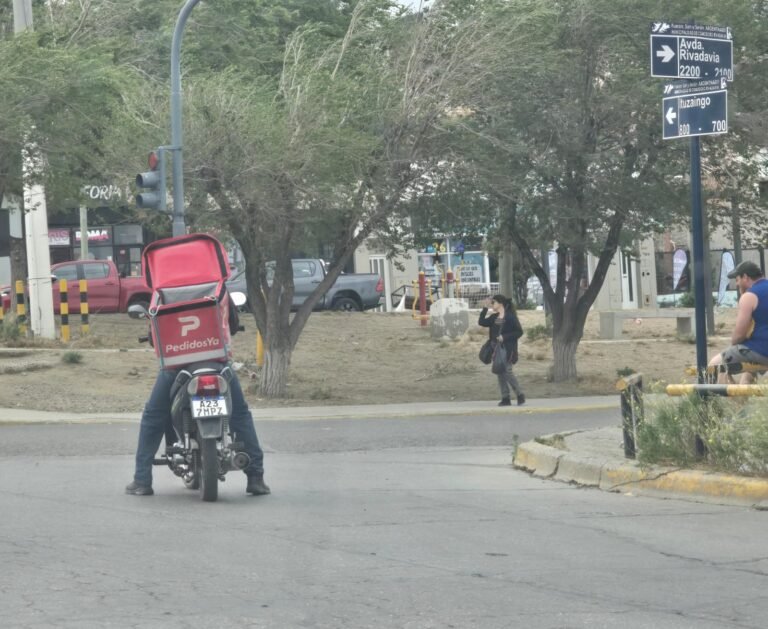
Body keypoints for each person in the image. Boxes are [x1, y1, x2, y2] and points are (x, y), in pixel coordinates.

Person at [125, 295, 270, 497]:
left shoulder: (162, 293)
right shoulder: (218, 288)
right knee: (240, 414)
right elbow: (233, 323)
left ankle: (142, 480)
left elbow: (155, 333)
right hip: (217, 363)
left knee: (154, 415)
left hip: (175, 366)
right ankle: (256, 478)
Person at [708, 260, 768, 384]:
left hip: (762, 349)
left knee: (715, 365)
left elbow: (739, 335)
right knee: (748, 372)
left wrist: (733, 345)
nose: (737, 284)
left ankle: (724, 396)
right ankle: (742, 395)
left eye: (737, 279)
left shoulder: (750, 296)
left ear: (745, 277)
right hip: (760, 350)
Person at [479, 294, 525, 406]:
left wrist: (504, 337)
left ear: (500, 303)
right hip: (496, 349)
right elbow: (481, 322)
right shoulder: (494, 317)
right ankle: (505, 398)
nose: (492, 304)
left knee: (508, 371)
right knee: (500, 372)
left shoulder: (510, 317)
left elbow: (519, 332)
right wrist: (485, 308)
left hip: (507, 349)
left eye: (493, 302)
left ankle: (520, 394)